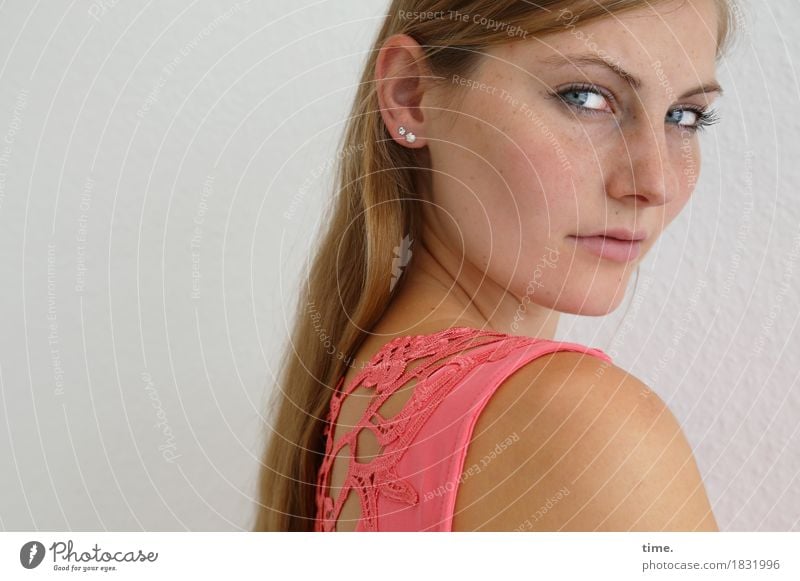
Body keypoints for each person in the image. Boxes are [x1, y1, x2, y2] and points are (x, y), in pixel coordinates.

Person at [254, 0, 739, 532]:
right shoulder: (580, 423)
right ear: (410, 95)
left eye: (684, 116)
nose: (654, 182)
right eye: (585, 98)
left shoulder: (357, 403)